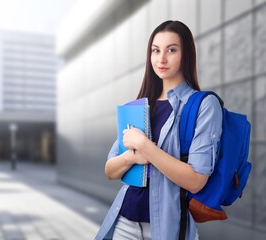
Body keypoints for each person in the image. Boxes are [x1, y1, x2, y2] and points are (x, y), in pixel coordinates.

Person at [95, 20, 222, 240]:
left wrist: (144, 146)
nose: (161, 59)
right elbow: (110, 170)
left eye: (171, 50)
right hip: (124, 221)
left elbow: (196, 180)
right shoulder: (140, 106)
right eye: (155, 50)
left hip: (167, 227)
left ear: (186, 54)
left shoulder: (203, 105)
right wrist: (132, 157)